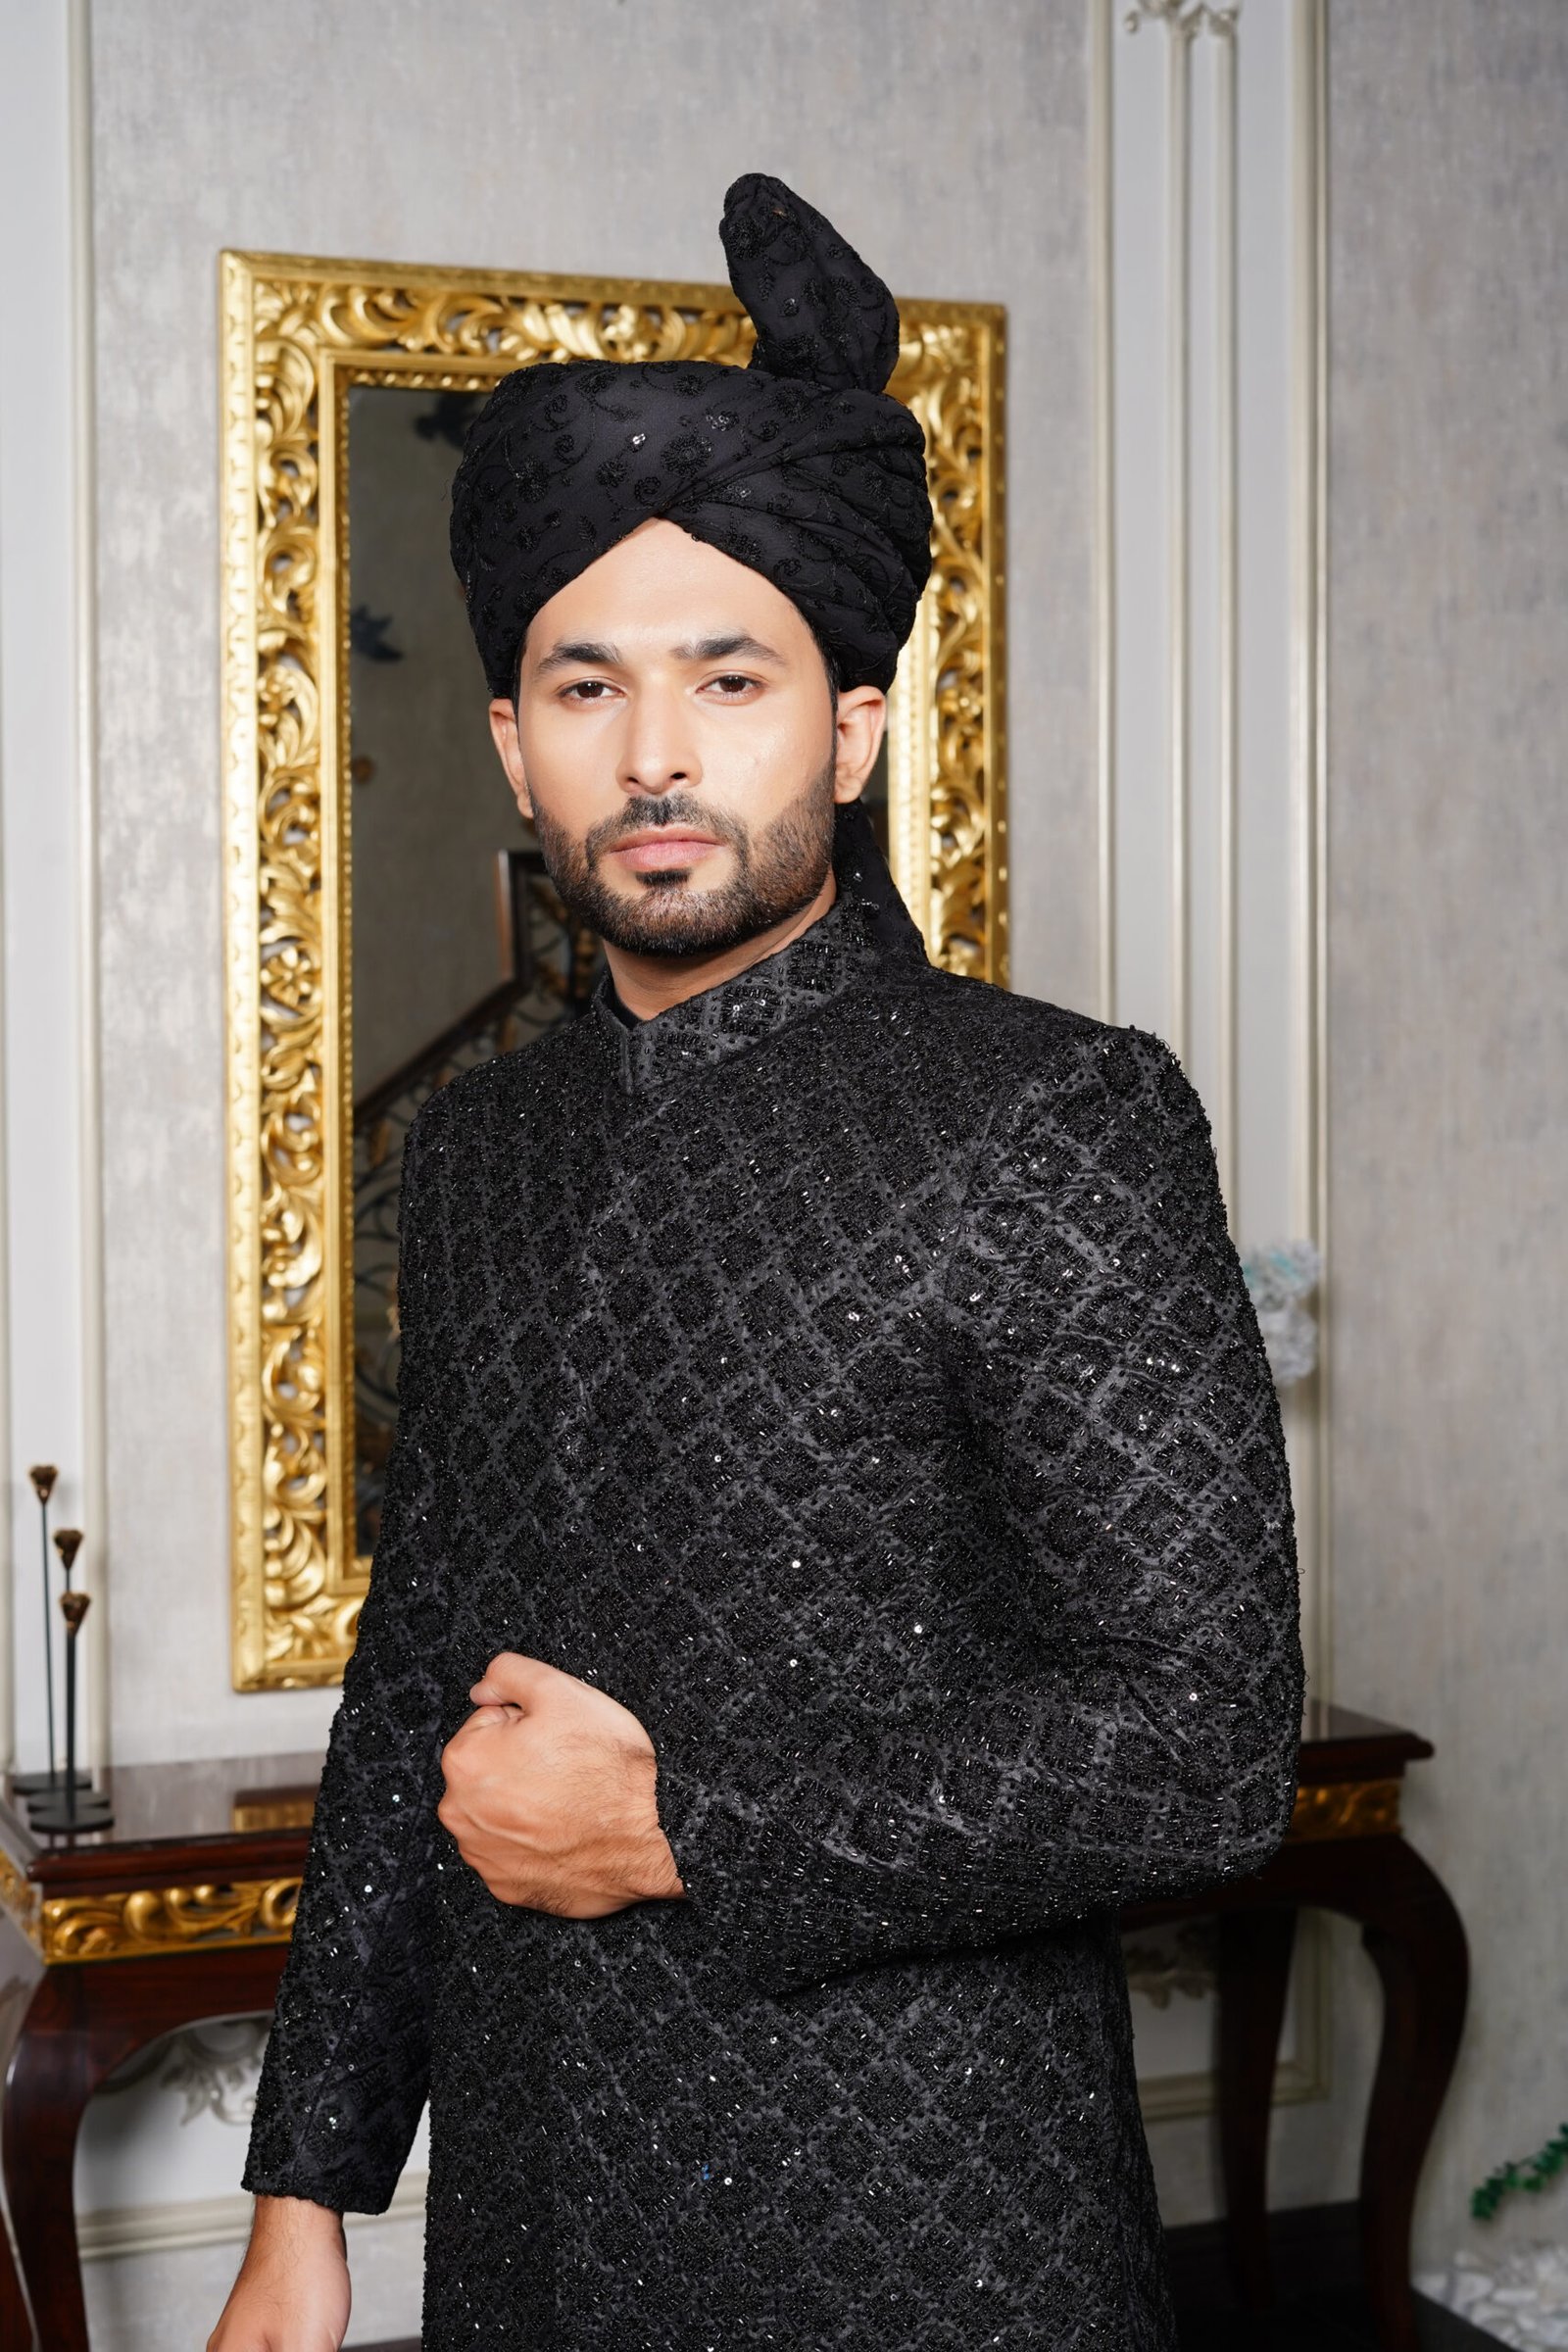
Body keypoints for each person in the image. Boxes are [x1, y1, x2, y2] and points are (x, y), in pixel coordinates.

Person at [213, 172, 1303, 2352]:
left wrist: (681, 1828)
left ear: (854, 726)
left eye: (730, 676)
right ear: (512, 743)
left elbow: (1200, 1743)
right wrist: (306, 2193)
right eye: (586, 685)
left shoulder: (1055, 1114)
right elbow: (420, 1678)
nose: (656, 756)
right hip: (534, 2220)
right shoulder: (477, 1151)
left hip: (931, 2229)